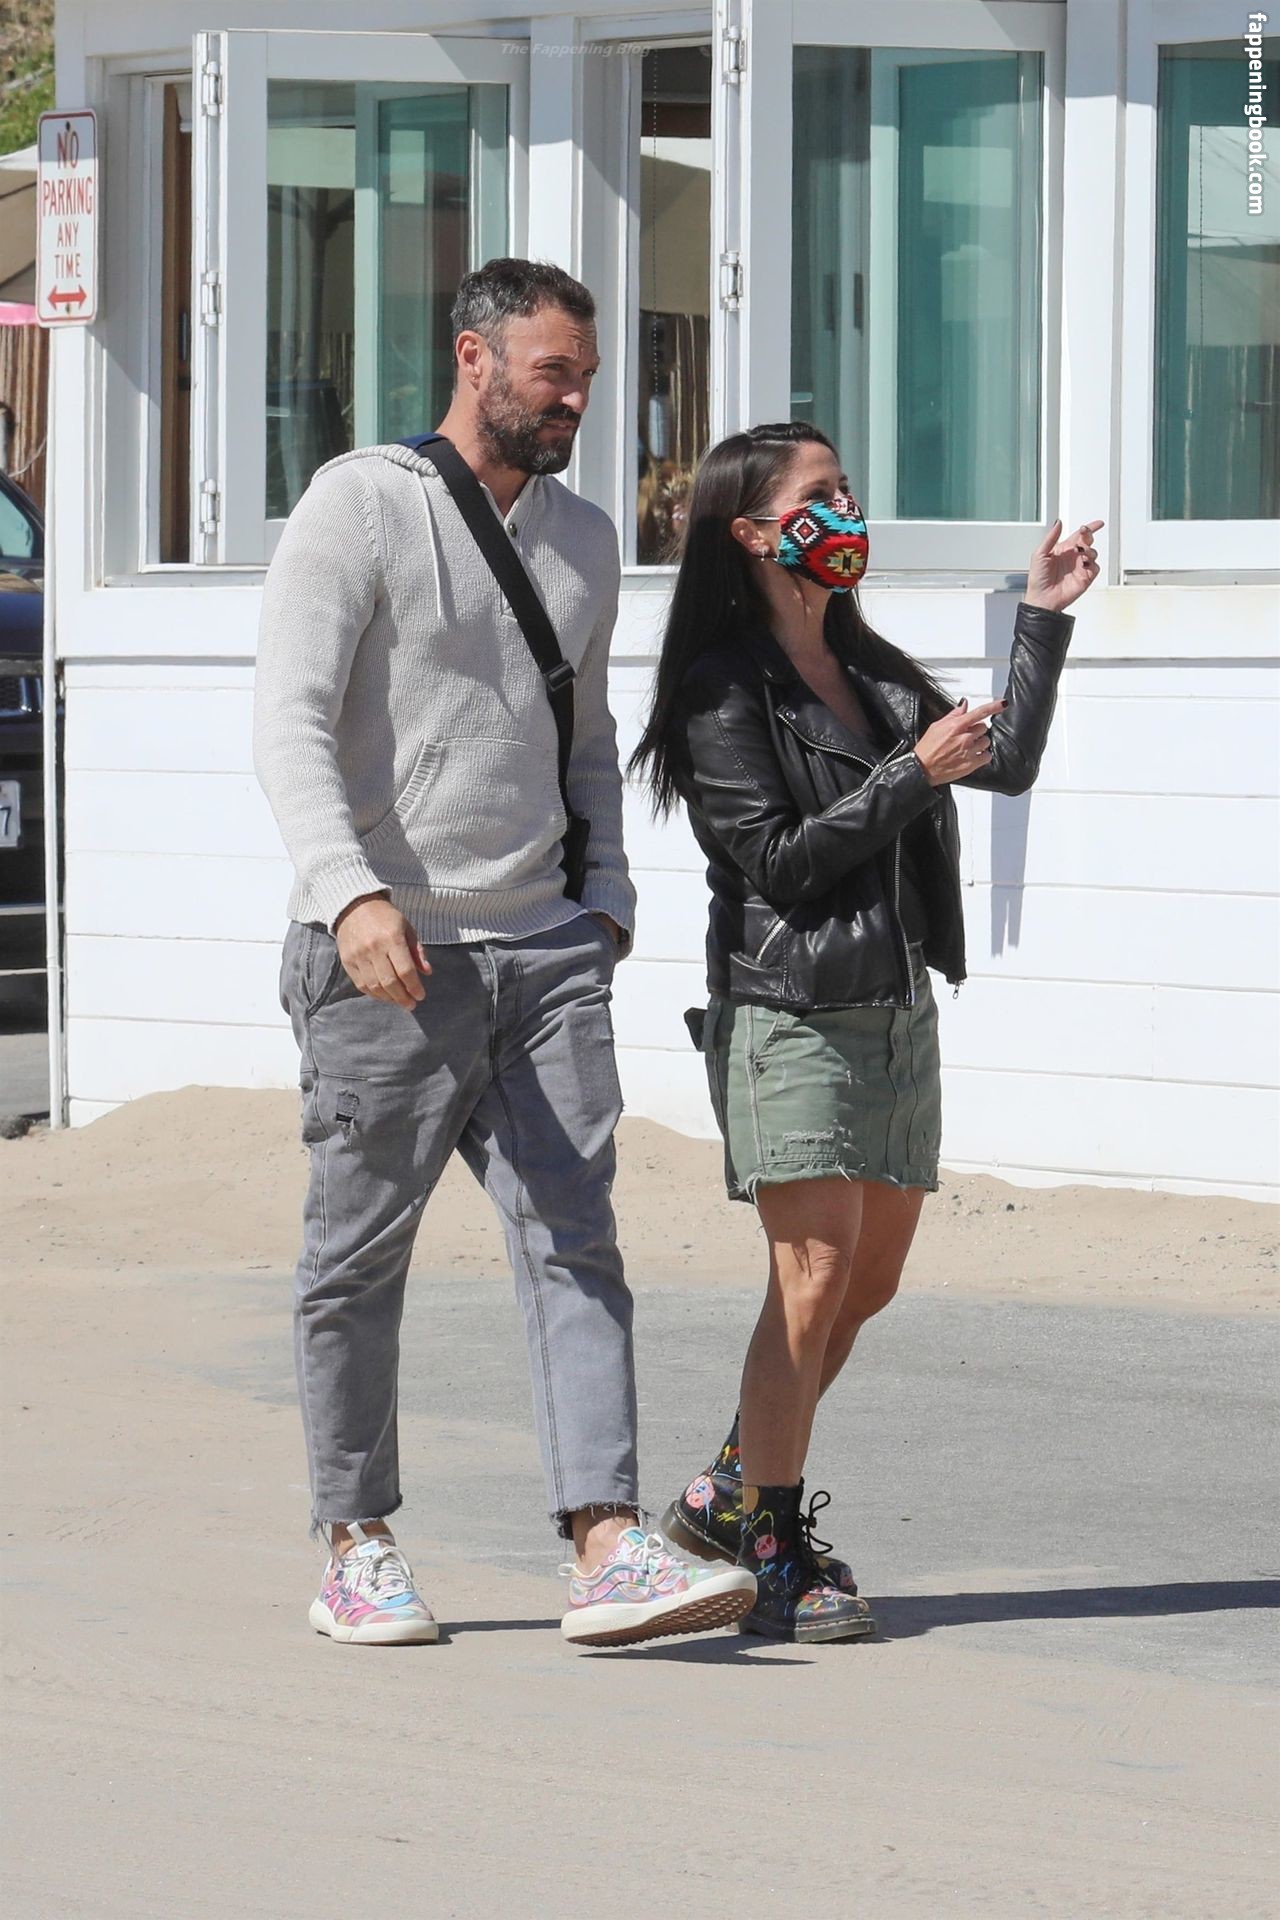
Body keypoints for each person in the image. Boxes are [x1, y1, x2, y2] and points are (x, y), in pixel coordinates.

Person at [254, 258, 755, 1649]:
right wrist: (350, 895)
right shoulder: (359, 505)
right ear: (473, 359)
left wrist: (607, 899)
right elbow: (288, 722)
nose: (577, 398)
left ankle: (605, 1546)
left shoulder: (586, 537)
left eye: (586, 375)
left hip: (543, 949)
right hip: (388, 956)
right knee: (358, 1258)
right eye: (554, 373)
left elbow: (583, 736)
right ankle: (355, 1544)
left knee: (577, 1245)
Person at [630, 421, 1100, 1643]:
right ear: (751, 532)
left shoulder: (863, 659)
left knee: (867, 1282)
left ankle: (726, 1491)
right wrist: (910, 774)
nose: (846, 513)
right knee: (811, 1275)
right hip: (787, 1013)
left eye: (845, 490)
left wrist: (1041, 616)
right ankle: (773, 1549)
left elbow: (1001, 761)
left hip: (892, 1010)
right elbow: (778, 863)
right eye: (819, 496)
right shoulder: (718, 688)